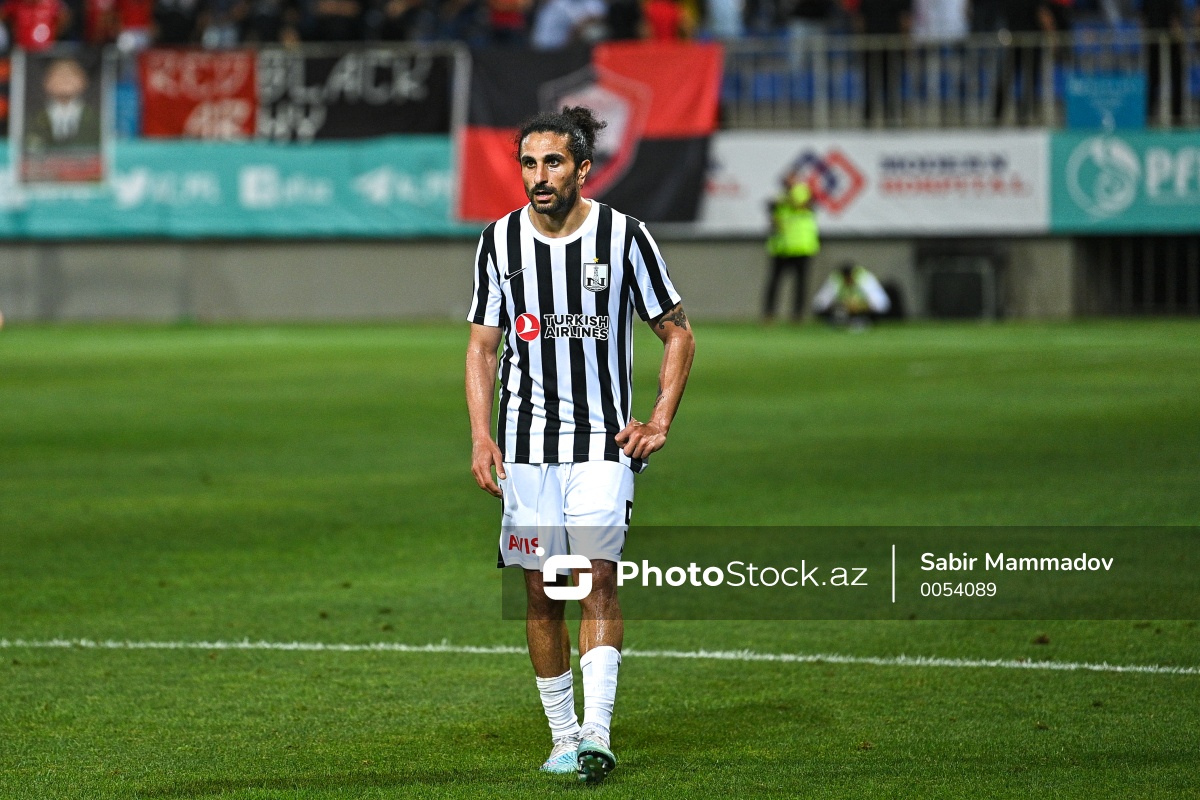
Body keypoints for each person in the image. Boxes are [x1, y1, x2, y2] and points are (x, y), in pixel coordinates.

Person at [465, 106, 695, 785]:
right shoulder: (499, 241)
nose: (539, 176)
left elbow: (677, 331)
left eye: (554, 162)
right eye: (529, 163)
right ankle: (563, 737)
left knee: (594, 578)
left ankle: (597, 730)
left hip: (601, 443)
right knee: (542, 592)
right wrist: (481, 435)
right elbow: (482, 347)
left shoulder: (624, 236)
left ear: (583, 169)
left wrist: (660, 419)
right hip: (524, 446)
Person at [763, 173, 819, 322]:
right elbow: (773, 219)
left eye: (791, 178)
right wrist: (775, 221)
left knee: (800, 283)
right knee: (774, 282)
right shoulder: (778, 197)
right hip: (782, 247)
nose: (788, 181)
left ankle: (797, 315)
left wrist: (787, 200)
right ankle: (769, 314)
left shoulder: (804, 192)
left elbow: (805, 205)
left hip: (801, 246)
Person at [812, 261, 891, 327]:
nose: (848, 282)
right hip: (844, 311)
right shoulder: (836, 280)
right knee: (838, 313)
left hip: (864, 312)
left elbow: (881, 305)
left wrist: (861, 306)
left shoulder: (864, 279)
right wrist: (841, 305)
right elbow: (819, 304)